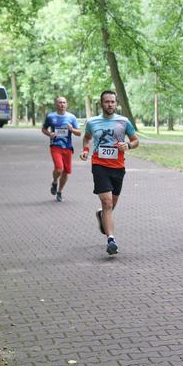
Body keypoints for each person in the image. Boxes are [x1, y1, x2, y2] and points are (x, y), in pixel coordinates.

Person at [80, 90, 139, 255]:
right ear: (101, 104)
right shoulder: (92, 122)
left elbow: (136, 140)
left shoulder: (124, 121)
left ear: (116, 103)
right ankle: (111, 240)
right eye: (107, 102)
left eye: (112, 102)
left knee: (111, 205)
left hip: (118, 167)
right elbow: (86, 138)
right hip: (99, 165)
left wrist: (128, 145)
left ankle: (101, 216)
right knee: (107, 203)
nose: (110, 104)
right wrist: (85, 150)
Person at [41, 96, 81, 202]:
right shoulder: (50, 117)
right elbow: (44, 129)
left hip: (67, 147)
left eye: (64, 102)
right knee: (59, 168)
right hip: (55, 146)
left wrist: (72, 129)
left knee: (66, 172)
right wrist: (50, 134)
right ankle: (54, 181)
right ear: (56, 104)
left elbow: (79, 133)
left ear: (66, 104)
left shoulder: (72, 117)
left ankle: (59, 191)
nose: (62, 104)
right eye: (59, 102)